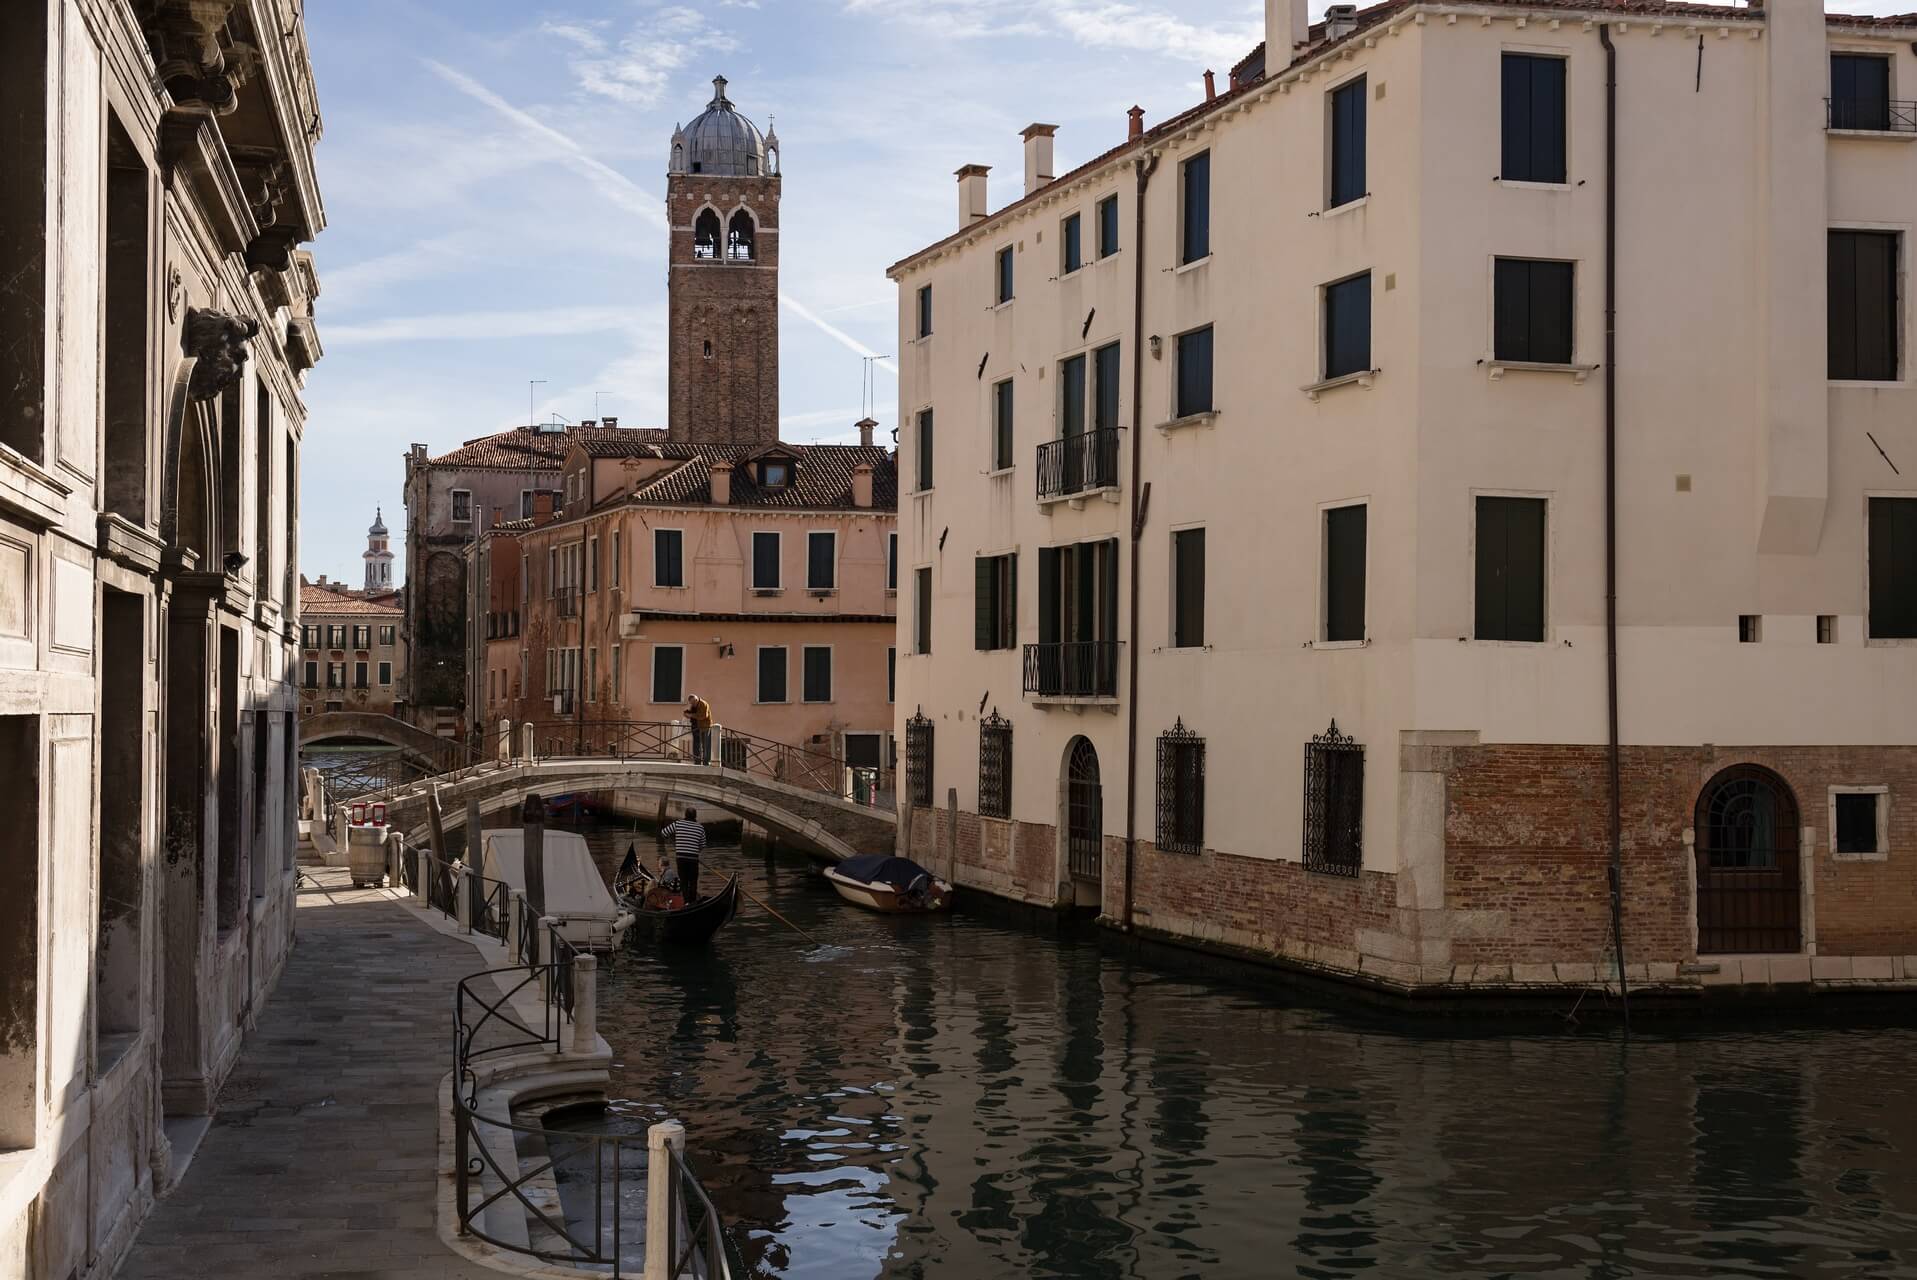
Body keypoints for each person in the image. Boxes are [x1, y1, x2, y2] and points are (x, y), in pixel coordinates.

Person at [660, 807, 707, 901]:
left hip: (681, 857)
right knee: (693, 881)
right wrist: (695, 851)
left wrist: (672, 841)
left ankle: (686, 902)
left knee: (684, 881)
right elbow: (703, 845)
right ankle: (692, 901)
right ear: (695, 816)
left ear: (685, 815)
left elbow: (663, 832)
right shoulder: (700, 827)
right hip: (693, 858)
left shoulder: (678, 824)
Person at [686, 693, 713, 764]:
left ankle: (706, 762)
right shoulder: (694, 705)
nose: (692, 704)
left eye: (693, 702)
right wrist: (687, 713)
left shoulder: (703, 704)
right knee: (696, 745)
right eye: (691, 703)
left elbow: (703, 716)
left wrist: (691, 715)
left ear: (696, 699)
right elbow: (693, 714)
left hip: (705, 727)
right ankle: (697, 761)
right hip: (696, 727)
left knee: (705, 745)